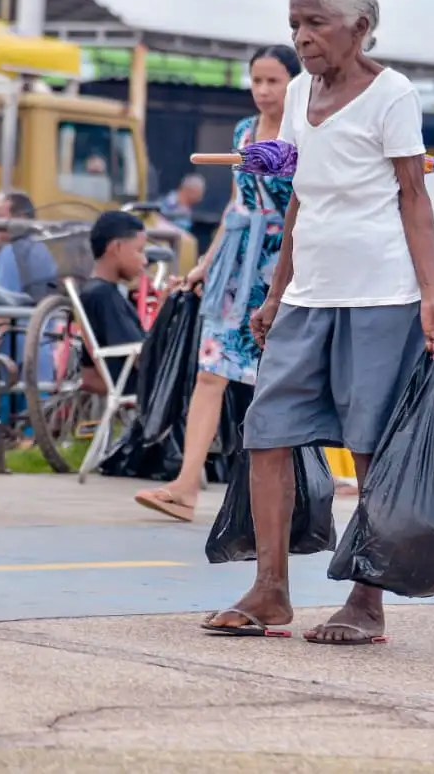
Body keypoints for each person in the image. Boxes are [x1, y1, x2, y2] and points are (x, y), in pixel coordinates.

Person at [201, 0, 434, 643]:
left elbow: (415, 197)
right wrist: (276, 291)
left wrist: (432, 297)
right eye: (294, 23)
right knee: (267, 432)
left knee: (368, 445)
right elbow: (301, 196)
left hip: (380, 294)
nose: (303, 36)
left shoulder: (392, 95)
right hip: (309, 294)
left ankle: (366, 603)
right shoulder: (297, 94)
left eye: (316, 22)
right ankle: (270, 591)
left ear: (361, 27)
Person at [134, 45, 301, 523]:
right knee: (211, 372)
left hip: (284, 267)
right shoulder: (243, 131)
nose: (264, 90)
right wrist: (207, 262)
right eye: (257, 80)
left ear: (295, 83)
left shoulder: (306, 134)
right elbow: (235, 205)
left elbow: (305, 203)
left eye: (274, 81)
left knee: (286, 381)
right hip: (237, 265)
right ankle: (187, 486)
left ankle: (311, 487)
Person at [79, 210, 147, 394]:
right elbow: (143, 358)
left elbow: (89, 377)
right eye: (139, 250)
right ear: (116, 247)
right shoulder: (103, 295)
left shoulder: (97, 292)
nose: (145, 260)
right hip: (142, 389)